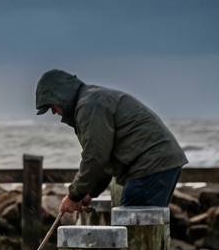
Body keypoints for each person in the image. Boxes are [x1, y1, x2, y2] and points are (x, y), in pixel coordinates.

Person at [35, 69, 187, 214]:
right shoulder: (92, 100)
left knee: (131, 228)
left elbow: (95, 157)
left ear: (61, 96)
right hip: (162, 162)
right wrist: (89, 193)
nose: (54, 112)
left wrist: (73, 195)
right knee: (147, 224)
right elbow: (104, 162)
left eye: (51, 106)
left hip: (149, 166)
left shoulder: (89, 106)